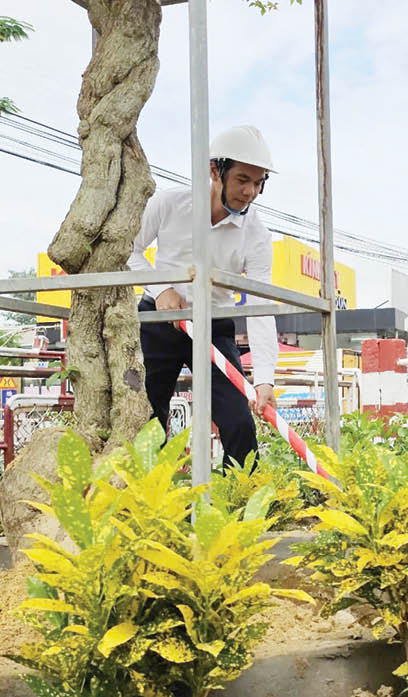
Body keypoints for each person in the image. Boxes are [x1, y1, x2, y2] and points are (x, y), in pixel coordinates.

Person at [129, 125, 278, 467]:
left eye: (259, 183)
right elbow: (130, 248)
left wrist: (266, 377)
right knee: (145, 420)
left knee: (240, 422)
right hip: (159, 321)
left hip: (213, 327)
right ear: (215, 171)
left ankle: (238, 507)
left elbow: (259, 307)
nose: (250, 192)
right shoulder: (170, 204)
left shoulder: (257, 235)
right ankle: (147, 505)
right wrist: (161, 288)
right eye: (242, 179)